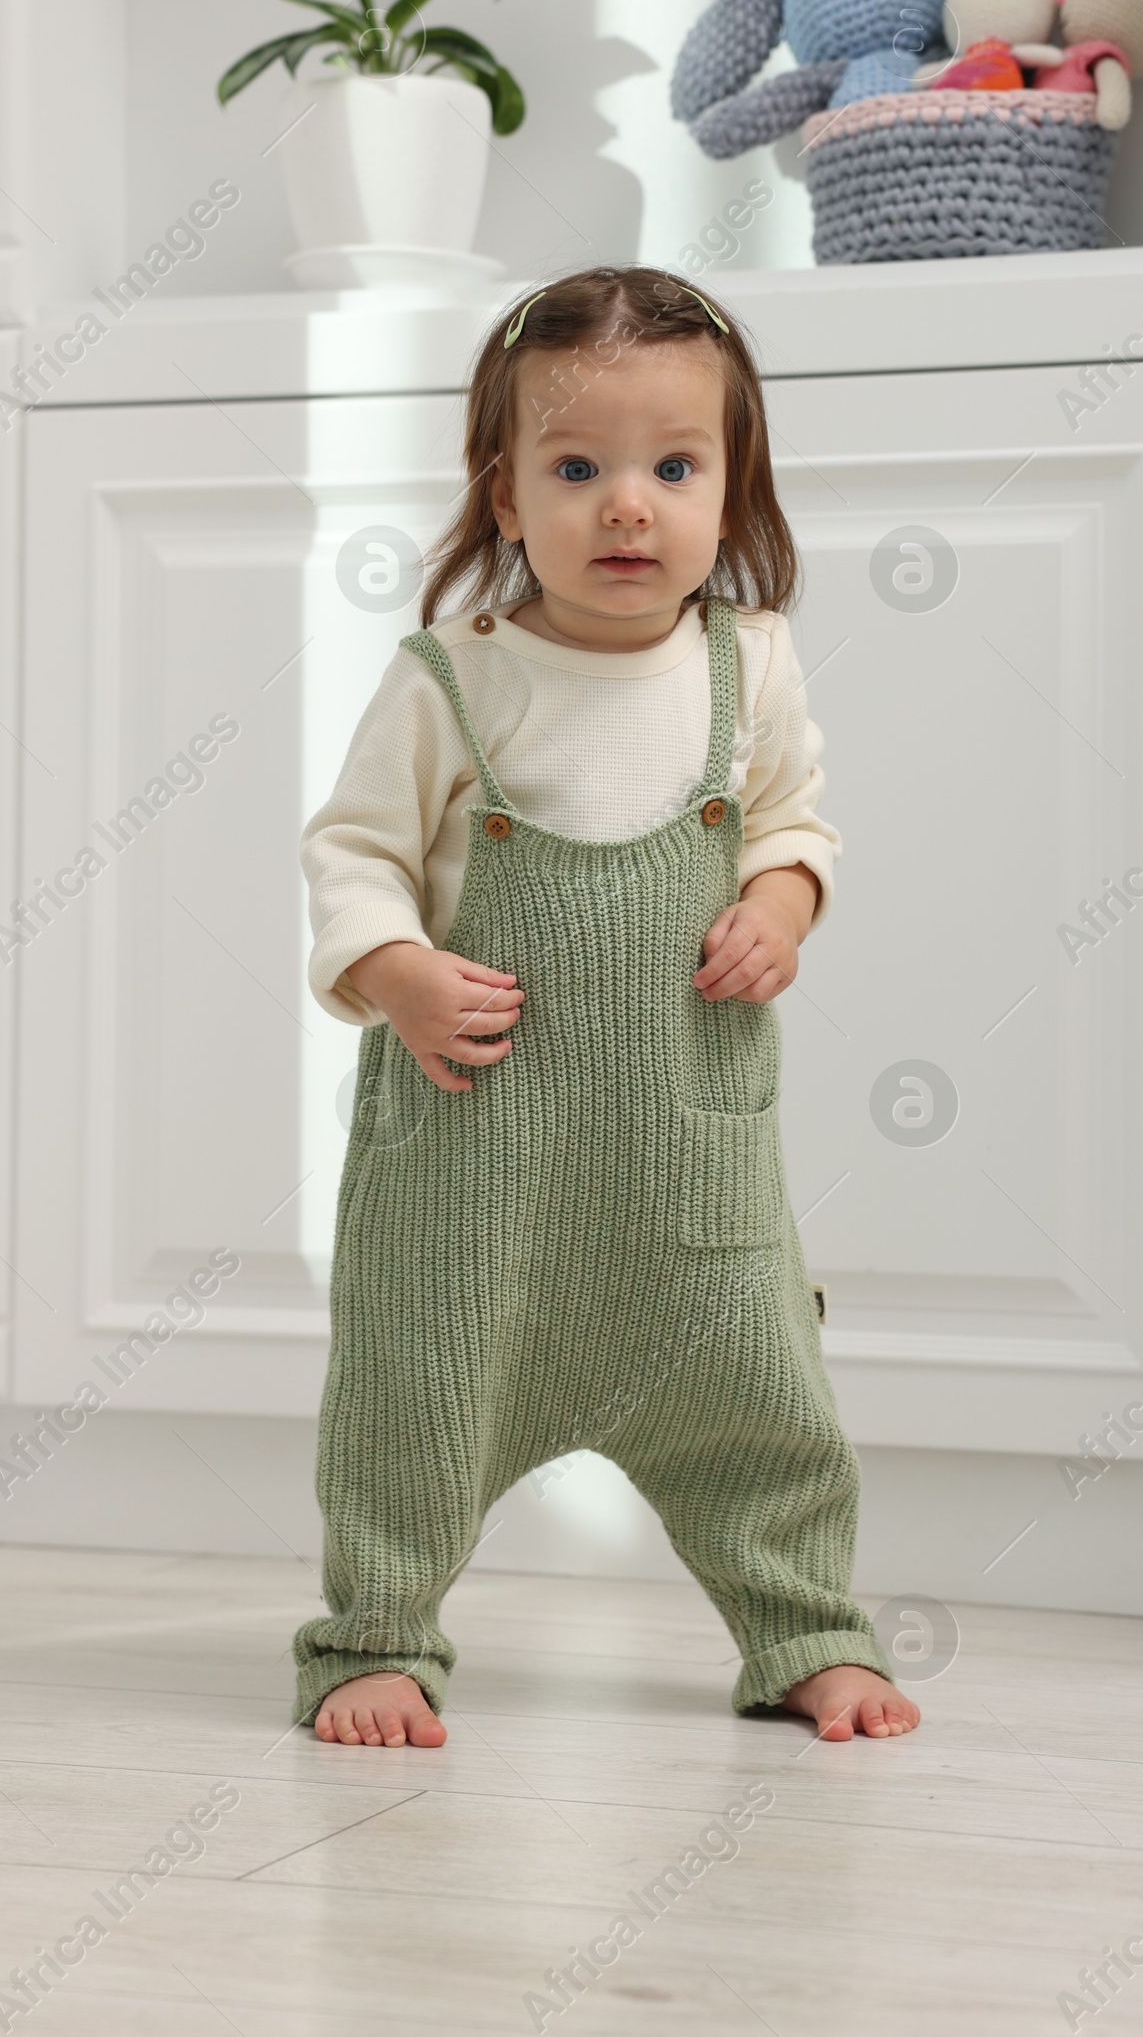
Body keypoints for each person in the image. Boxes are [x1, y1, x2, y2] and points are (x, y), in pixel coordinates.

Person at [291, 265, 916, 1749]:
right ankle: (376, 1634)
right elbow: (354, 853)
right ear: (505, 498)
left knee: (764, 1394)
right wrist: (399, 975)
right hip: (470, 1172)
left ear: (728, 487)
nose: (626, 506)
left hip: (685, 1168)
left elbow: (794, 821)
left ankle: (804, 1628)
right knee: (412, 1396)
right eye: (577, 469)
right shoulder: (458, 680)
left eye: (673, 467)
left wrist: (780, 905)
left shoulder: (745, 665)